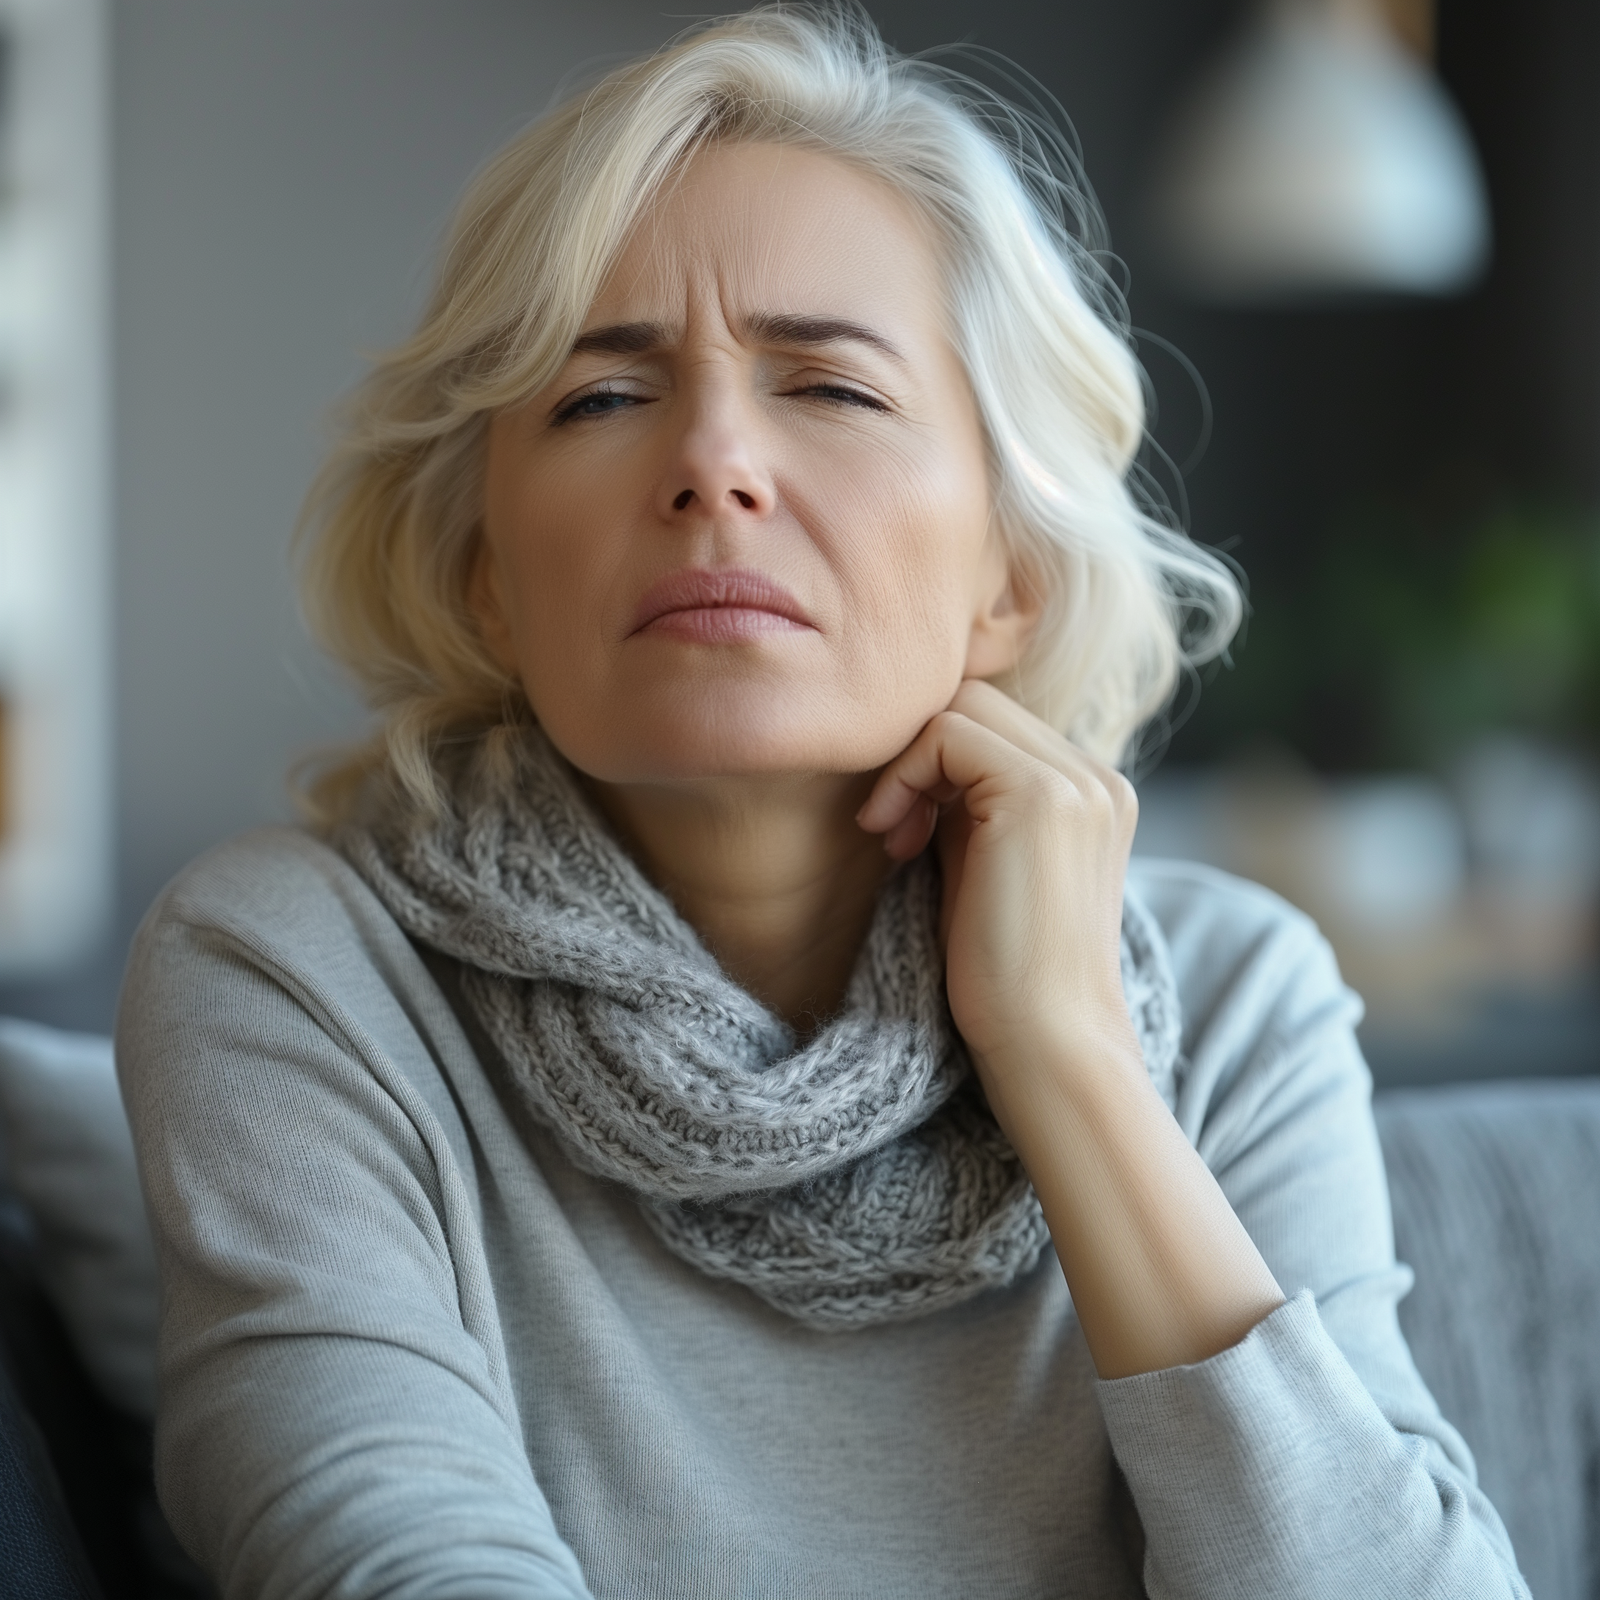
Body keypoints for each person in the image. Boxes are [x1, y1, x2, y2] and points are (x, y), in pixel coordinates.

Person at [116, 7, 1529, 1597]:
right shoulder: (294, 975)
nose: (715, 461)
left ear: (1012, 570)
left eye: (831, 389)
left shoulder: (1237, 996)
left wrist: (1065, 1052)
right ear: (485, 576)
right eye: (598, 398)